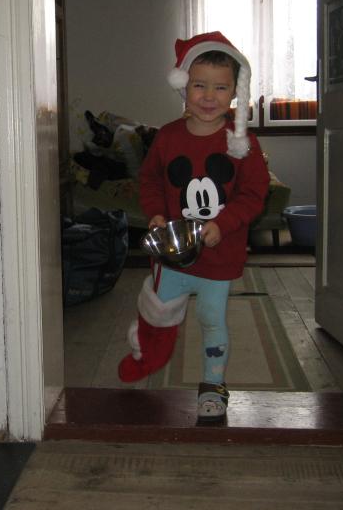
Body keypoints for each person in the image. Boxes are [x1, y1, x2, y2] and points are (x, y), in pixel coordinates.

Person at [117, 31, 269, 421]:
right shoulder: (167, 137)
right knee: (157, 312)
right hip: (174, 254)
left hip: (219, 258)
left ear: (235, 92)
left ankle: (213, 386)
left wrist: (224, 223)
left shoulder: (242, 142)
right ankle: (148, 353)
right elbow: (150, 181)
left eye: (220, 87)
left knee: (212, 321)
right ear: (184, 86)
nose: (208, 96)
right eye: (199, 85)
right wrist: (155, 213)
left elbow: (255, 194)